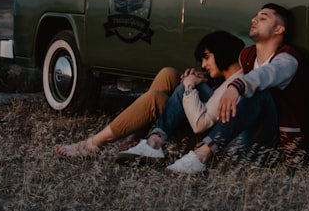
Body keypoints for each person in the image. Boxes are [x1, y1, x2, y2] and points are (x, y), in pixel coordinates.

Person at [166, 2, 309, 174]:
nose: (254, 19)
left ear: (279, 29)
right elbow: (233, 74)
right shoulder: (247, 56)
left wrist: (236, 87)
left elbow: (264, 75)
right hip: (239, 136)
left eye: (263, 18)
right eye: (255, 16)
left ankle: (203, 154)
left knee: (259, 93)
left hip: (270, 143)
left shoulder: (287, 60)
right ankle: (155, 141)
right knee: (188, 85)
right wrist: (203, 79)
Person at [55, 30, 244, 158]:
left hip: (202, 138)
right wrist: (201, 79)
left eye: (207, 58)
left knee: (156, 99)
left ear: (223, 53)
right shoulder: (229, 80)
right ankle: (135, 138)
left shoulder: (234, 86)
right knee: (168, 74)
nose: (203, 64)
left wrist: (189, 87)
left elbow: (200, 124)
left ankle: (93, 144)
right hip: (201, 121)